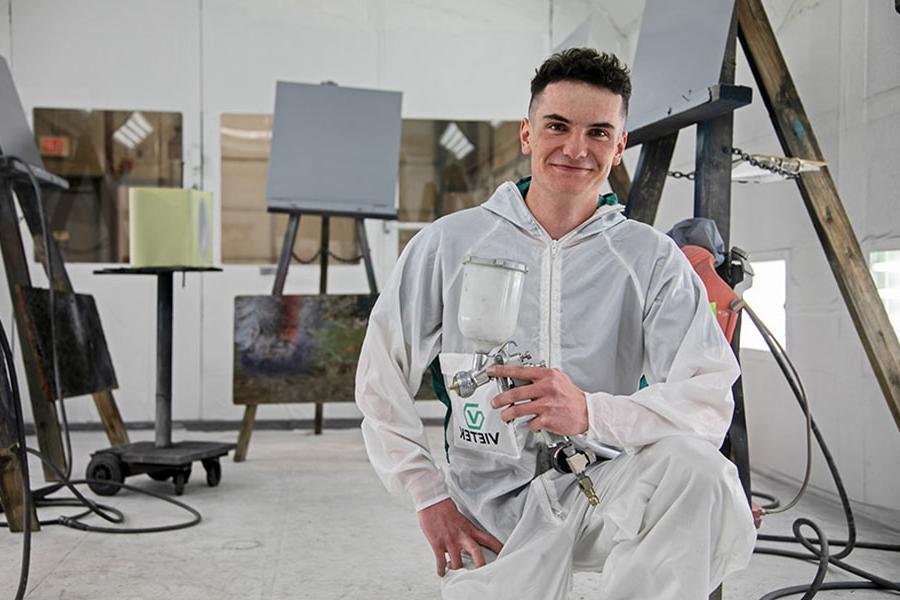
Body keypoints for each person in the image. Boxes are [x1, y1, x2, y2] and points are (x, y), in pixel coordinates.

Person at [355, 48, 756, 599]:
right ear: (527, 134)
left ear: (619, 147)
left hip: (608, 492)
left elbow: (708, 400)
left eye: (597, 132)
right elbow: (381, 374)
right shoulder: (450, 244)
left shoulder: (649, 258)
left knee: (699, 471)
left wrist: (590, 411)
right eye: (557, 126)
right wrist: (428, 496)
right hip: (489, 506)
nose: (575, 148)